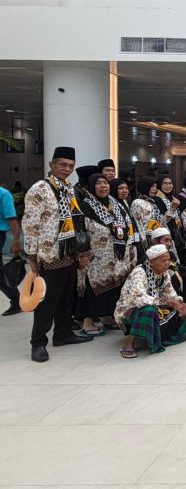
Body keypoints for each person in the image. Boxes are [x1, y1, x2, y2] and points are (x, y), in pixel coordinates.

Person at [24, 147, 93, 362]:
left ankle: (63, 334)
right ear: (51, 165)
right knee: (46, 301)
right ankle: (38, 343)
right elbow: (30, 224)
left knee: (65, 298)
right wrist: (31, 256)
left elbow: (76, 220)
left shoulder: (68, 189)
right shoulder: (40, 189)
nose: (67, 169)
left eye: (70, 166)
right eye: (62, 164)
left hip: (68, 252)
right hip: (48, 253)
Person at [75, 173, 137, 336]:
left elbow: (124, 225)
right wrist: (82, 254)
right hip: (95, 257)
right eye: (98, 183)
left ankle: (107, 317)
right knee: (93, 287)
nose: (103, 186)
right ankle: (88, 321)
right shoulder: (85, 205)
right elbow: (82, 230)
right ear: (91, 187)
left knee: (113, 286)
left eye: (105, 183)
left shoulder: (114, 203)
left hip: (116, 255)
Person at [115, 244, 186, 358]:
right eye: (163, 261)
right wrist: (168, 302)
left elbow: (171, 293)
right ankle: (128, 343)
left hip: (156, 305)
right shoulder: (139, 272)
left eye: (168, 260)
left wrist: (180, 303)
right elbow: (140, 299)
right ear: (152, 262)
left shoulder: (164, 273)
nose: (167, 263)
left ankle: (165, 338)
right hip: (130, 310)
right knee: (149, 310)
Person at [0, 180, 22, 316]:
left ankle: (16, 300)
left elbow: (12, 219)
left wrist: (16, 240)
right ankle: (16, 300)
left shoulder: (4, 194)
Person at [155, 174, 186, 263]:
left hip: (177, 234)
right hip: (166, 236)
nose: (168, 186)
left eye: (170, 183)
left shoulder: (173, 198)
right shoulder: (157, 199)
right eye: (165, 183)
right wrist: (173, 208)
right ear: (159, 185)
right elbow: (161, 221)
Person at [130, 176, 162, 247]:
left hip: (157, 238)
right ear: (145, 186)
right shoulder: (137, 202)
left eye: (156, 187)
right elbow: (137, 224)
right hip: (145, 242)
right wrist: (143, 242)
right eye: (152, 186)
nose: (155, 189)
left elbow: (160, 221)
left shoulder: (154, 202)